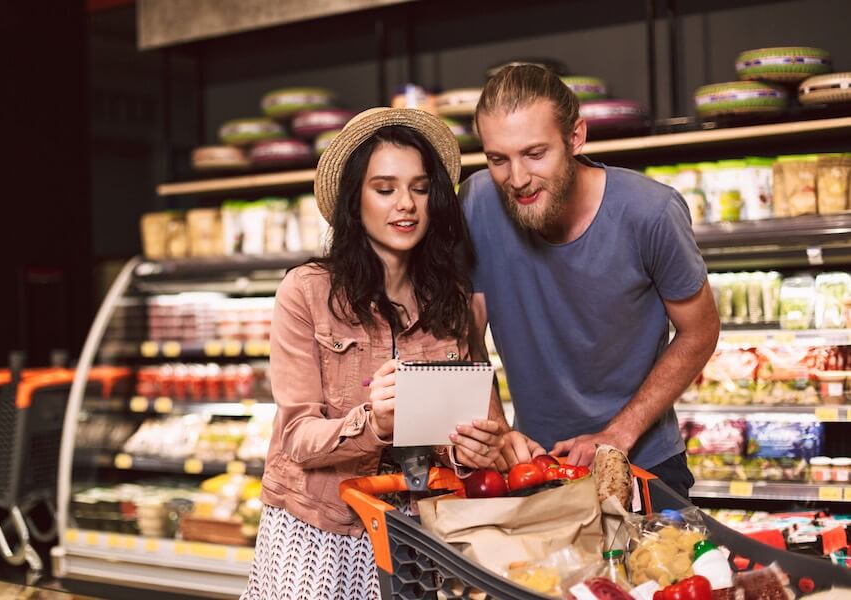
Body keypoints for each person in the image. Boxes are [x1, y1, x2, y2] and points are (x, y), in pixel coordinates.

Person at [241, 107, 504, 600]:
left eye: (420, 188)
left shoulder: (453, 299)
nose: (406, 204)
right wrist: (376, 423)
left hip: (416, 534)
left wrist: (472, 452)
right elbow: (298, 436)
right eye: (385, 189)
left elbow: (461, 437)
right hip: (320, 530)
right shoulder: (306, 292)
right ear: (354, 199)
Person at [460, 65, 721, 498]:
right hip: (533, 467)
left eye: (535, 153)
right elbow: (466, 329)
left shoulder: (651, 212)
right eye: (497, 159)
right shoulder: (476, 202)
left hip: (643, 463)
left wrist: (618, 434)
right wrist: (497, 429)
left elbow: (701, 330)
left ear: (576, 136)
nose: (518, 178)